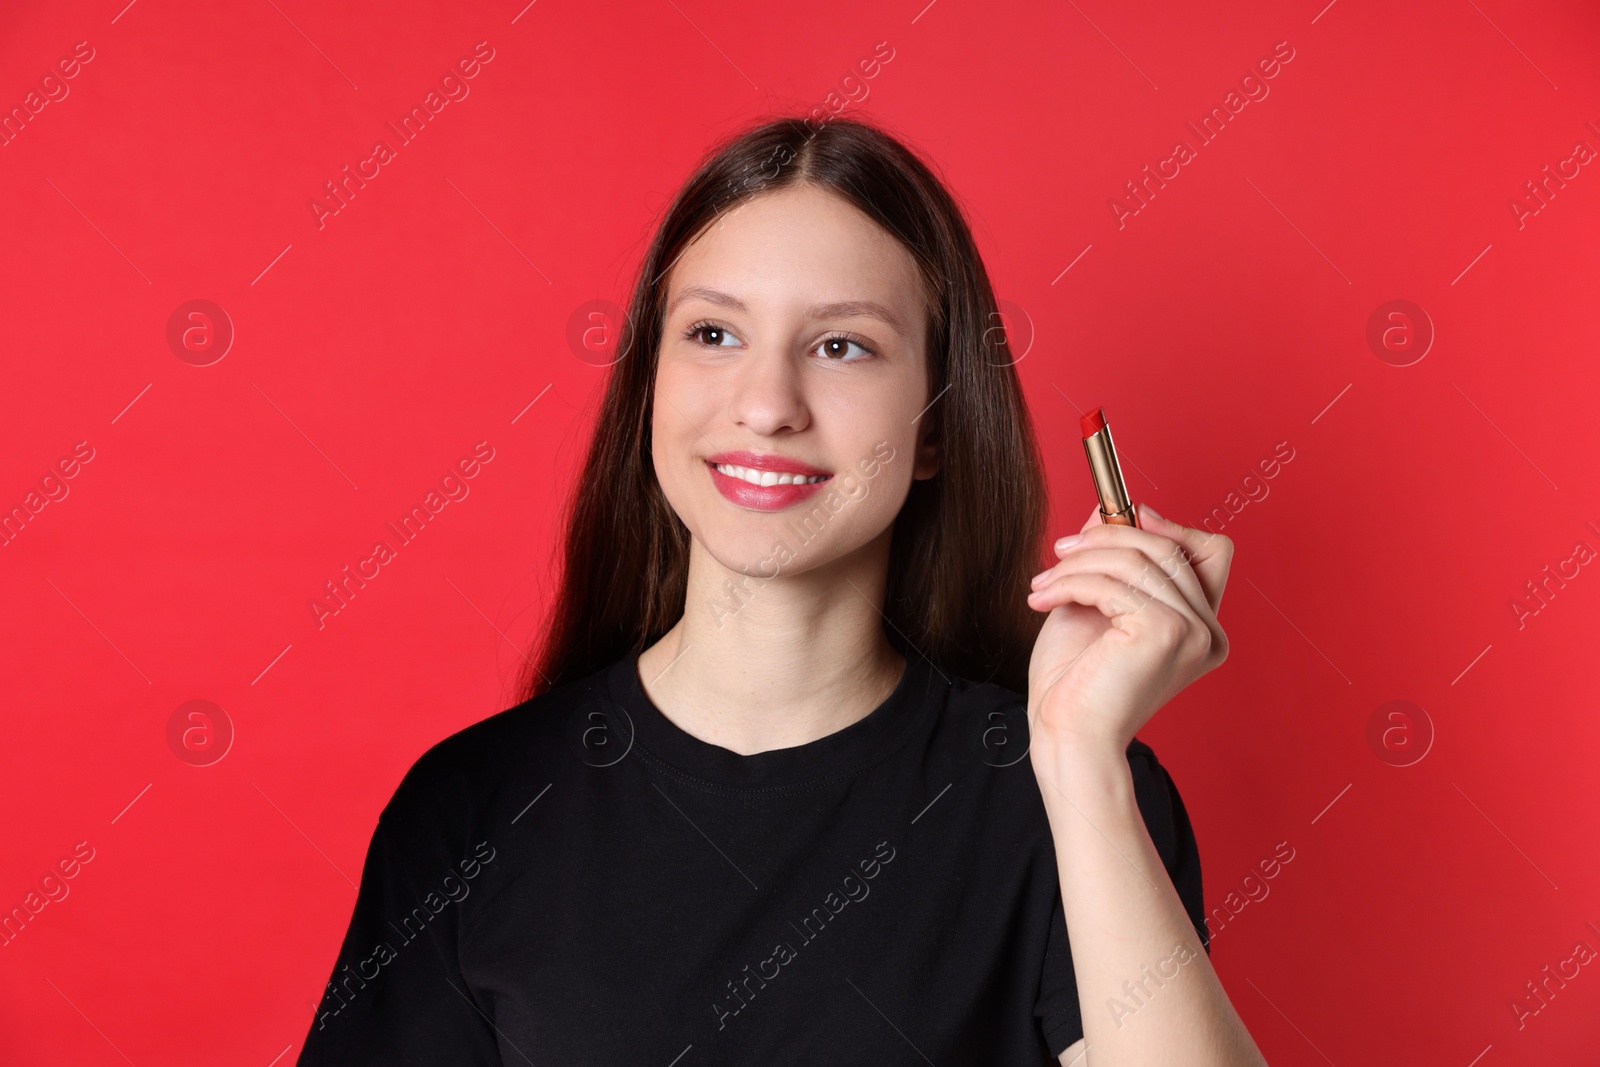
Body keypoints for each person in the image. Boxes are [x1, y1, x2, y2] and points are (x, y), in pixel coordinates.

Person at [297, 115, 1267, 1066]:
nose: (765, 404)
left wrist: (1079, 755)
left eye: (840, 345)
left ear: (935, 425)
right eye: (713, 332)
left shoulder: (1069, 792)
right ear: (649, 388)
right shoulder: (472, 808)